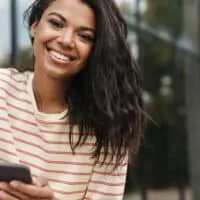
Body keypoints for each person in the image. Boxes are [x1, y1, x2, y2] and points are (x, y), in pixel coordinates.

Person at [0, 0, 146, 199]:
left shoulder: (110, 127)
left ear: (96, 49)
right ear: (35, 26)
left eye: (84, 36)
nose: (67, 40)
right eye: (56, 24)